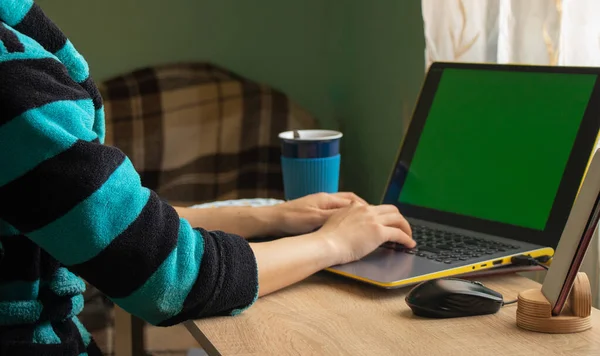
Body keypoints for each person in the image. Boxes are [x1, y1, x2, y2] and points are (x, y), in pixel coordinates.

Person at [0, 1, 415, 355]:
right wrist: (334, 242)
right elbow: (170, 275)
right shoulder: (13, 80)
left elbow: (123, 226)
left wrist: (274, 217)